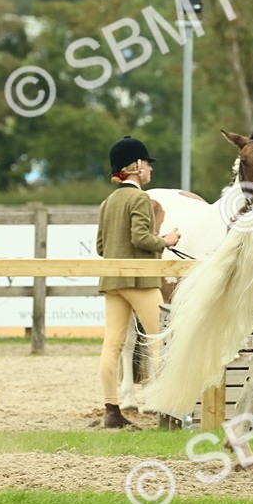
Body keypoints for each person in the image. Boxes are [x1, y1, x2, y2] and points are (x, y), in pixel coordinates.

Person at [96, 135, 181, 428]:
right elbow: (140, 238)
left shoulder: (108, 202)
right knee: (161, 342)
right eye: (146, 163)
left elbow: (100, 247)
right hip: (141, 281)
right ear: (135, 166)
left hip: (112, 281)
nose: (150, 169)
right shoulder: (140, 198)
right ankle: (164, 408)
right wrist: (166, 240)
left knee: (112, 345)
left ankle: (111, 411)